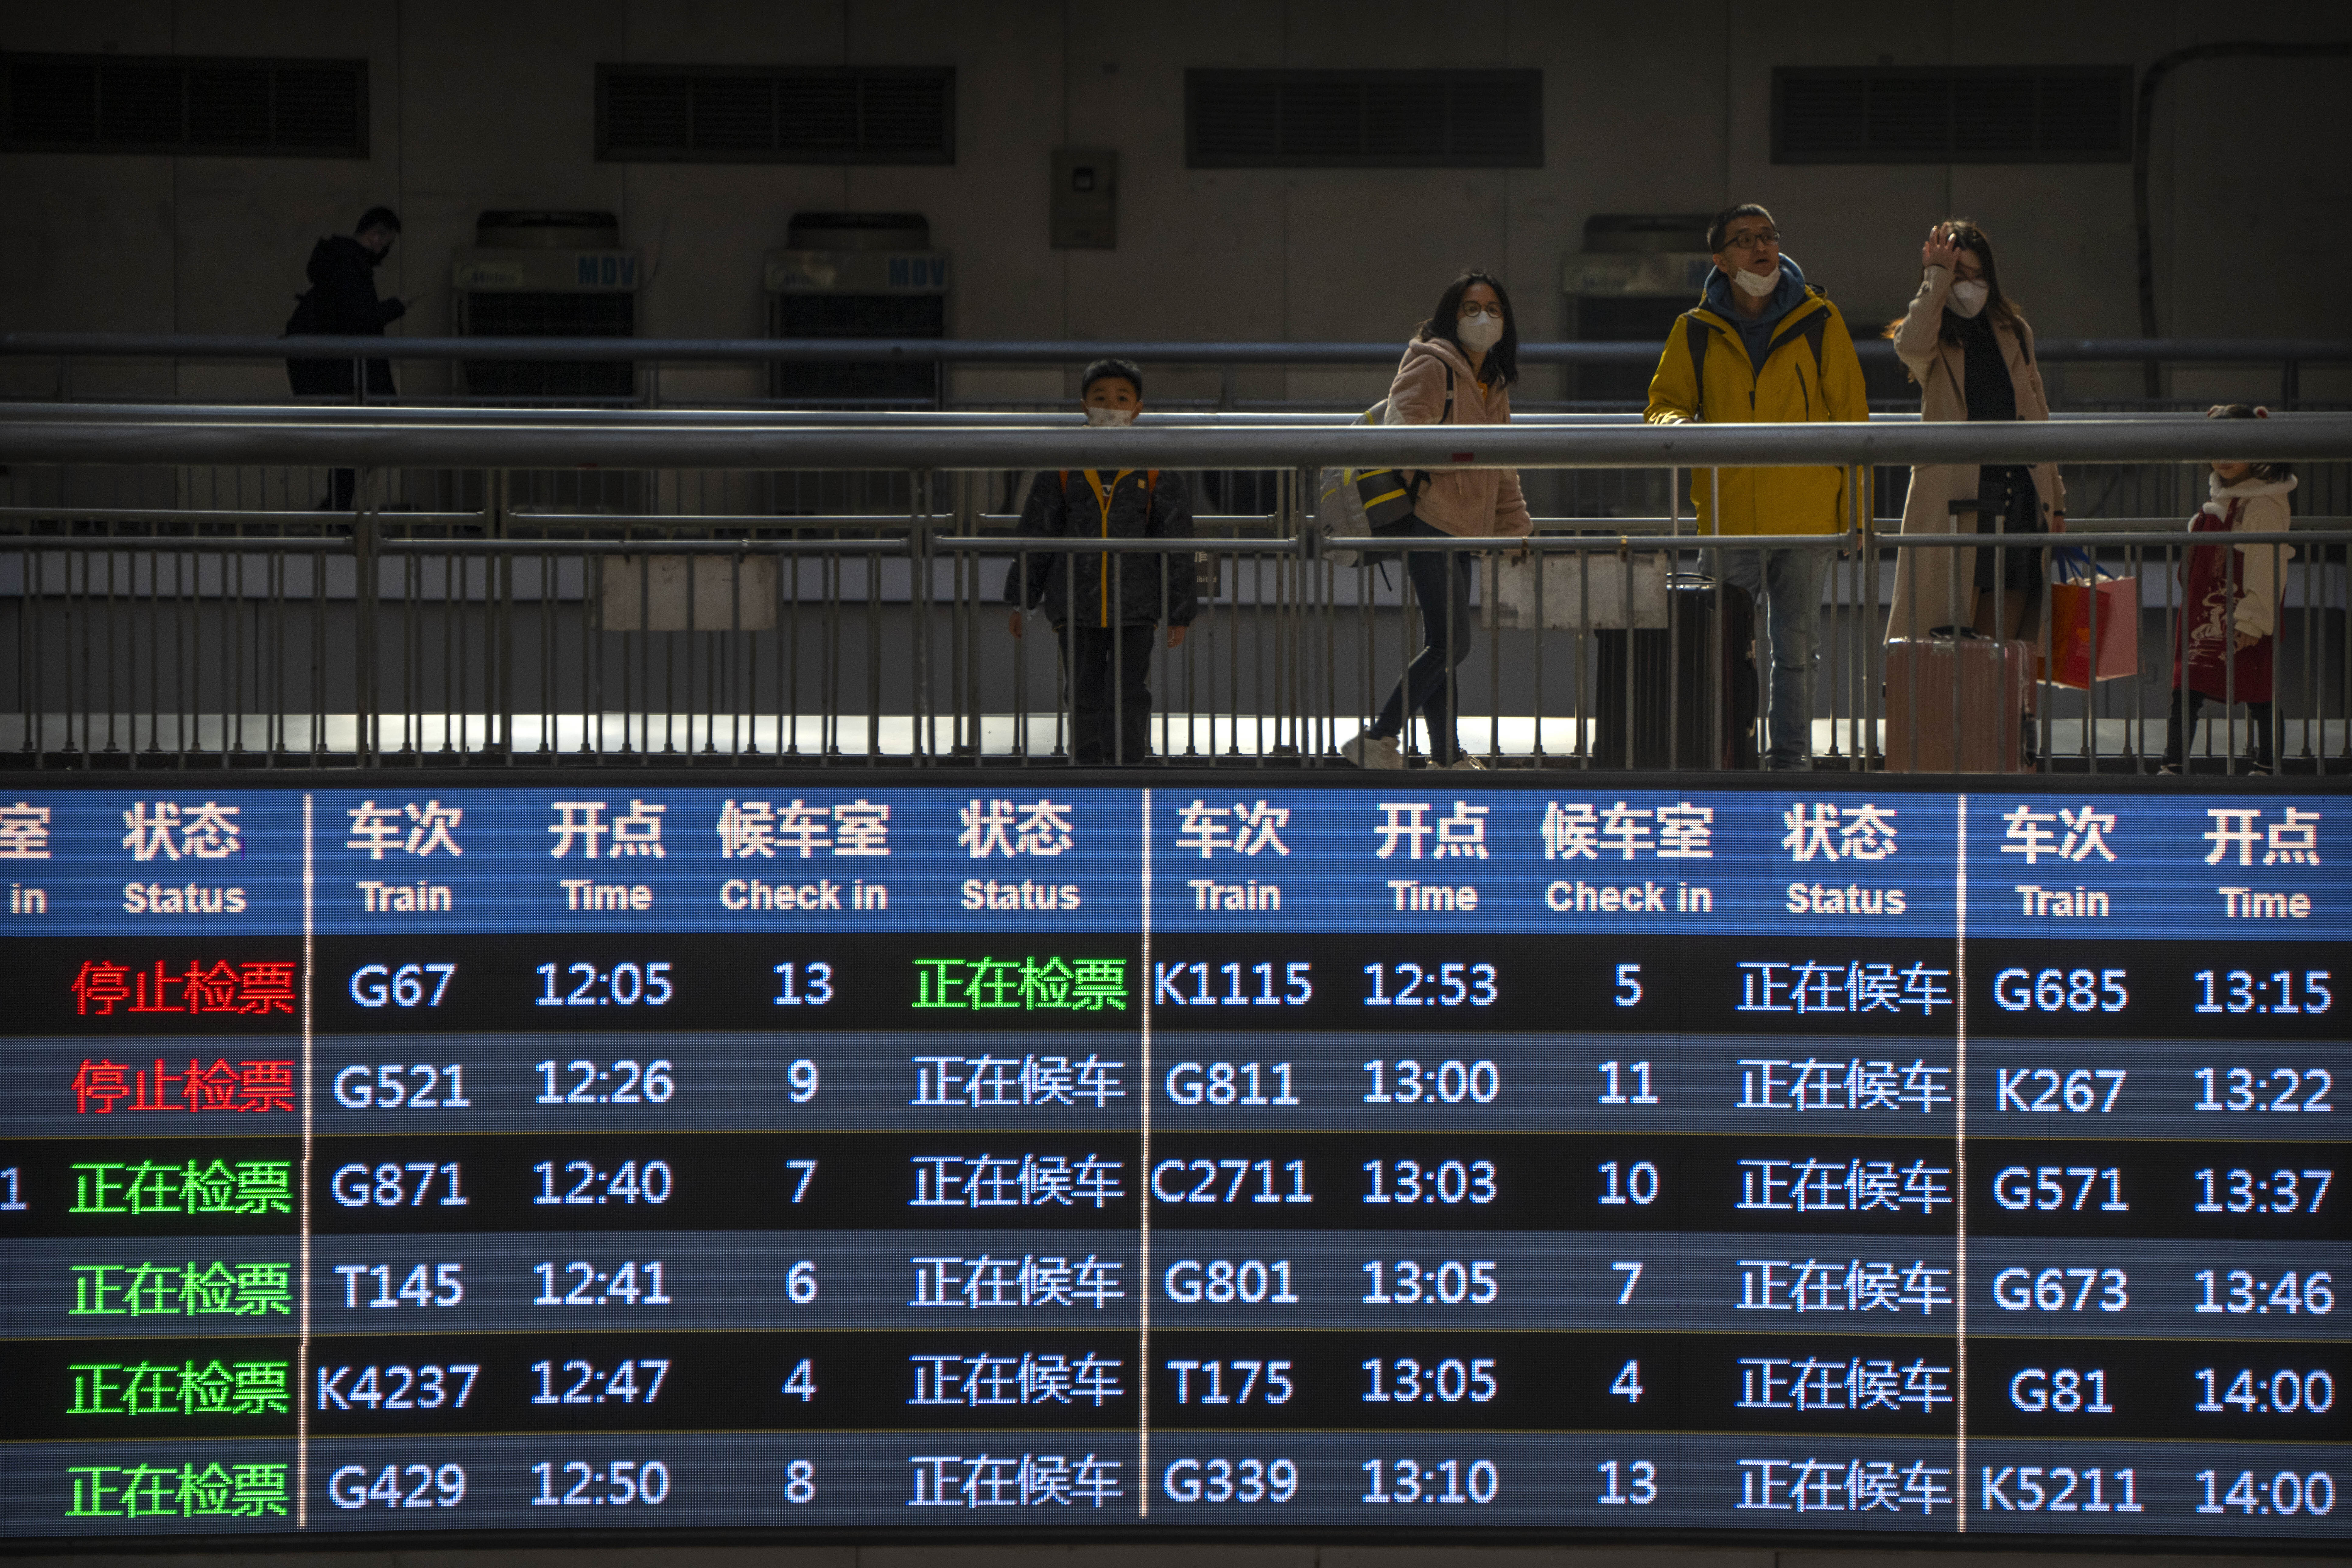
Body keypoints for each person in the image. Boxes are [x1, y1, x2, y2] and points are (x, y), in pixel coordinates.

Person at [1645, 204, 1868, 770]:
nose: (1760, 248)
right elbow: (1663, 406)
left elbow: (1853, 421)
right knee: (1722, 650)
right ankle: (1725, 755)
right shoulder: (1694, 330)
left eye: (1768, 236)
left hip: (1807, 515)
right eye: (1744, 240)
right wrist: (1681, 430)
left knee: (1795, 651)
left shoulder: (1820, 321)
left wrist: (1857, 516)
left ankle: (1789, 760)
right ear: (1720, 260)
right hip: (1729, 518)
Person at [1883, 220, 2065, 759]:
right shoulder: (1933, 331)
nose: (1966, 283)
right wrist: (1935, 279)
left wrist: (2056, 498)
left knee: (2005, 636)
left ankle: (2001, 744)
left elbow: (2038, 413)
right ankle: (1949, 748)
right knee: (1945, 628)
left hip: (2019, 493)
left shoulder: (2014, 331)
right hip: (1956, 500)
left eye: (1973, 273)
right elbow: (1910, 343)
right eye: (1954, 272)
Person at [1341, 270, 1532, 770]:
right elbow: (1401, 435)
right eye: (1471, 308)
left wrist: (1516, 530)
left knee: (1442, 644)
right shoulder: (1431, 365)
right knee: (1451, 643)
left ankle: (1446, 754)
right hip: (1427, 520)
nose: (1483, 317)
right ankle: (1379, 736)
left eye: (1493, 308)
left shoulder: (1492, 383)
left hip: (1462, 529)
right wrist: (1461, 462)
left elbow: (1503, 468)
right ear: (1451, 316)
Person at [1004, 358, 1196, 765]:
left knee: (1130, 691)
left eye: (1122, 398)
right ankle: (1088, 770)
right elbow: (1037, 533)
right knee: (1083, 689)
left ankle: (1126, 767)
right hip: (1075, 604)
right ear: (1083, 406)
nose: (1111, 405)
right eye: (1101, 398)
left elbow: (1177, 542)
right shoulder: (1062, 467)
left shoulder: (1156, 469)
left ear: (1138, 408)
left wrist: (1179, 610)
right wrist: (1023, 598)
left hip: (1136, 606)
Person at [2162, 405, 2297, 775]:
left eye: (2234, 446)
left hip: (2242, 616)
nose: (2222, 457)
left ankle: (2269, 766)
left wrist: (2252, 621)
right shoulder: (2226, 499)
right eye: (2215, 445)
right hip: (2205, 614)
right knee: (2186, 687)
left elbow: (2265, 567)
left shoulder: (2263, 504)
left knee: (2259, 692)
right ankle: (2173, 765)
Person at [286, 206, 406, 510]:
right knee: (359, 448)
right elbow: (360, 319)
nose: (385, 250)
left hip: (341, 375)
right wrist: (396, 306)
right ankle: (338, 510)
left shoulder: (338, 262)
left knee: (352, 447)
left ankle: (337, 509)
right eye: (386, 242)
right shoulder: (350, 266)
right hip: (352, 377)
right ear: (375, 235)